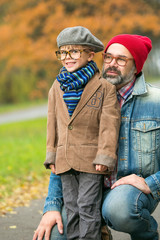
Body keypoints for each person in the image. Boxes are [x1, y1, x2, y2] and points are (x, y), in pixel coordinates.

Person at [33, 34, 160, 240]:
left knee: (120, 208)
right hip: (86, 186)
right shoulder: (79, 92)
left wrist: (152, 183)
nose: (111, 64)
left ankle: (146, 236)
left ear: (137, 66)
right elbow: (65, 151)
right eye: (108, 57)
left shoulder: (156, 102)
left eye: (121, 59)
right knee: (57, 233)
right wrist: (52, 206)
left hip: (128, 195)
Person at [38, 26, 120, 240]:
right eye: (63, 52)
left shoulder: (104, 88)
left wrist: (105, 156)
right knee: (72, 209)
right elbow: (52, 123)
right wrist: (51, 154)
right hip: (64, 160)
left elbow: (109, 126)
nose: (67, 57)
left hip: (91, 161)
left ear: (90, 54)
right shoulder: (57, 86)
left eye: (74, 52)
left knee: (87, 207)